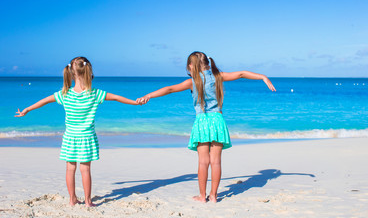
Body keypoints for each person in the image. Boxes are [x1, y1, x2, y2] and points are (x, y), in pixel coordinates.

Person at [137, 51, 276, 203]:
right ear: (208, 63)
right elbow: (242, 74)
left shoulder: (192, 81)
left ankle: (203, 197)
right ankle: (214, 196)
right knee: (216, 162)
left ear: (191, 66)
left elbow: (169, 89)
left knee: (203, 162)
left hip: (201, 122)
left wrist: (148, 95)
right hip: (217, 120)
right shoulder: (218, 76)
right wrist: (263, 77)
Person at [15, 56, 139, 207]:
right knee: (85, 170)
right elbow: (117, 98)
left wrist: (27, 109)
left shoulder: (64, 94)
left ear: (71, 73)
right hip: (87, 137)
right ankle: (88, 201)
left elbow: (45, 100)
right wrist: (134, 102)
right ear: (89, 72)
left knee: (70, 169)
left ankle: (72, 199)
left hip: (69, 138)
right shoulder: (95, 94)